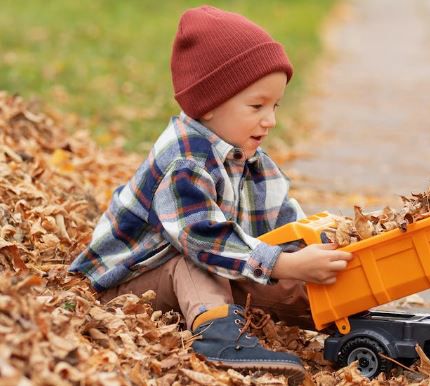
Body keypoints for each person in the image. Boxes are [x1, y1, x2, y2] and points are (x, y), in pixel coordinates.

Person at [69, 5, 352, 384]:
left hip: (209, 269)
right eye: (257, 106)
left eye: (275, 106)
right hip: (129, 280)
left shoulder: (251, 158)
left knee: (288, 275)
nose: (270, 120)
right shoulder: (185, 160)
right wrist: (283, 265)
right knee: (197, 259)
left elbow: (284, 226)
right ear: (210, 105)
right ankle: (217, 336)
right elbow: (201, 238)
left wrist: (315, 254)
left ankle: (365, 328)